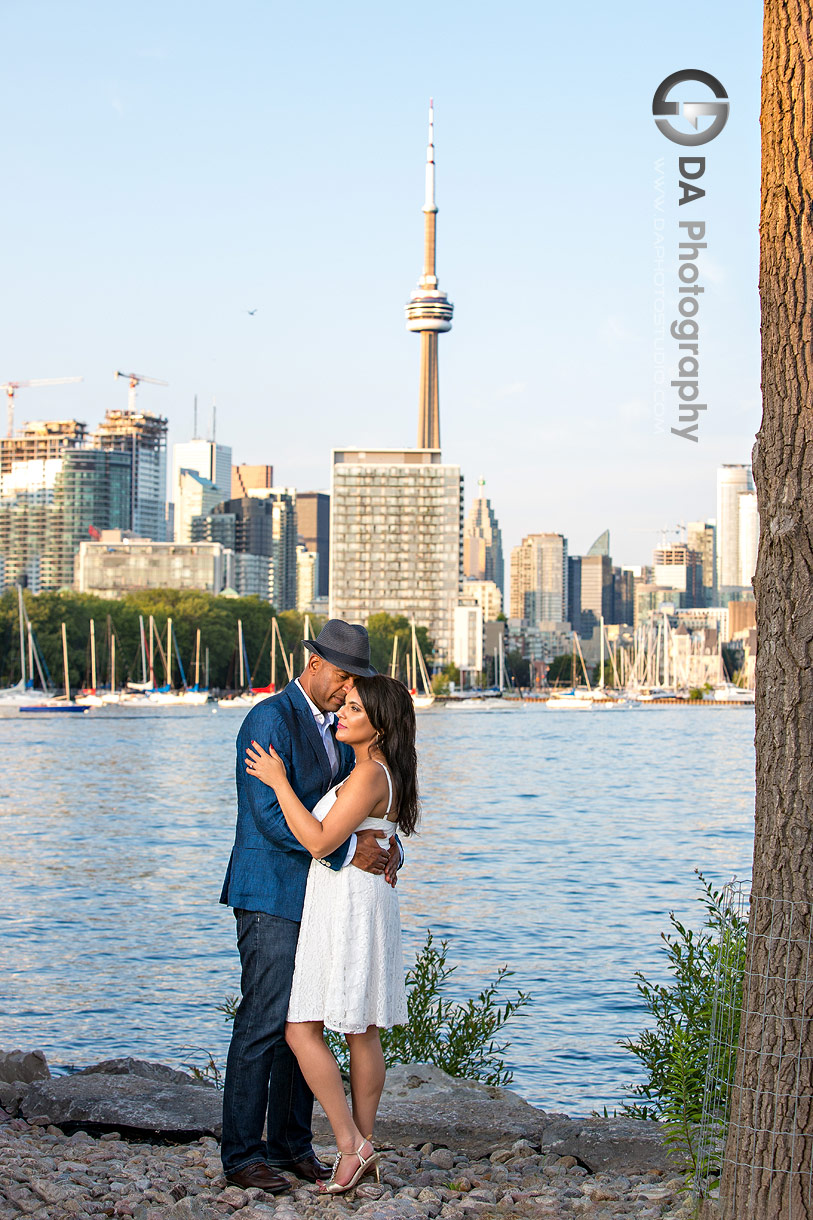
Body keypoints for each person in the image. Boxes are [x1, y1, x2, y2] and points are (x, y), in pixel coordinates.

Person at [219, 620, 400, 1196]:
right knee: (265, 1022)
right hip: (270, 894)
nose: (347, 691)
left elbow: (356, 805)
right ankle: (242, 1155)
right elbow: (269, 816)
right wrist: (351, 849)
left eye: (355, 682)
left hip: (323, 900)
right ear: (315, 664)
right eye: (343, 677)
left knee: (311, 1015)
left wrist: (386, 850)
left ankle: (292, 1145)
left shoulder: (343, 732)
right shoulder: (268, 719)